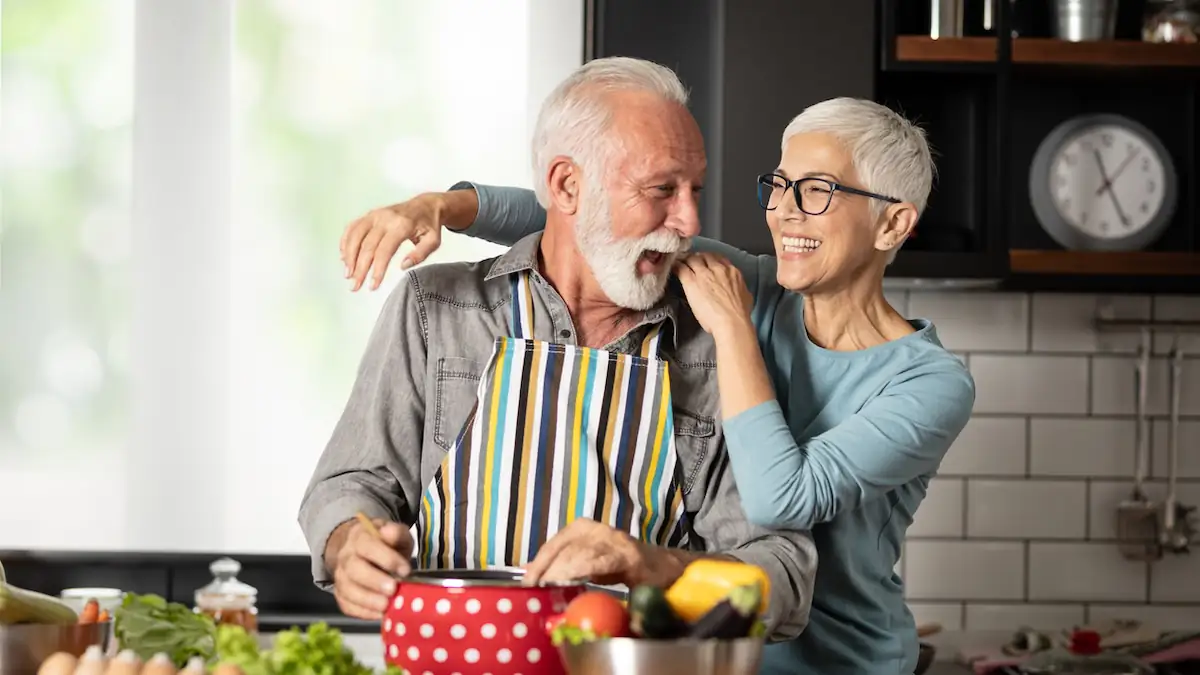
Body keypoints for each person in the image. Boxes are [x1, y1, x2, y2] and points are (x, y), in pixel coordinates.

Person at [337, 96, 976, 674]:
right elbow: (599, 216)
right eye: (780, 186)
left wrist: (733, 328)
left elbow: (783, 500)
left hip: (841, 660)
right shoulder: (757, 284)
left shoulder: (928, 381)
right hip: (713, 651)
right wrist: (440, 206)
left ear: (892, 225)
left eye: (816, 191)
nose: (783, 211)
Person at [299, 56, 816, 641]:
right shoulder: (436, 309)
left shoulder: (716, 344)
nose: (689, 221)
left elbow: (783, 575)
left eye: (694, 190)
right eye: (661, 190)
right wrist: (350, 542)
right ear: (568, 186)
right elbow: (350, 484)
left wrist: (654, 566)